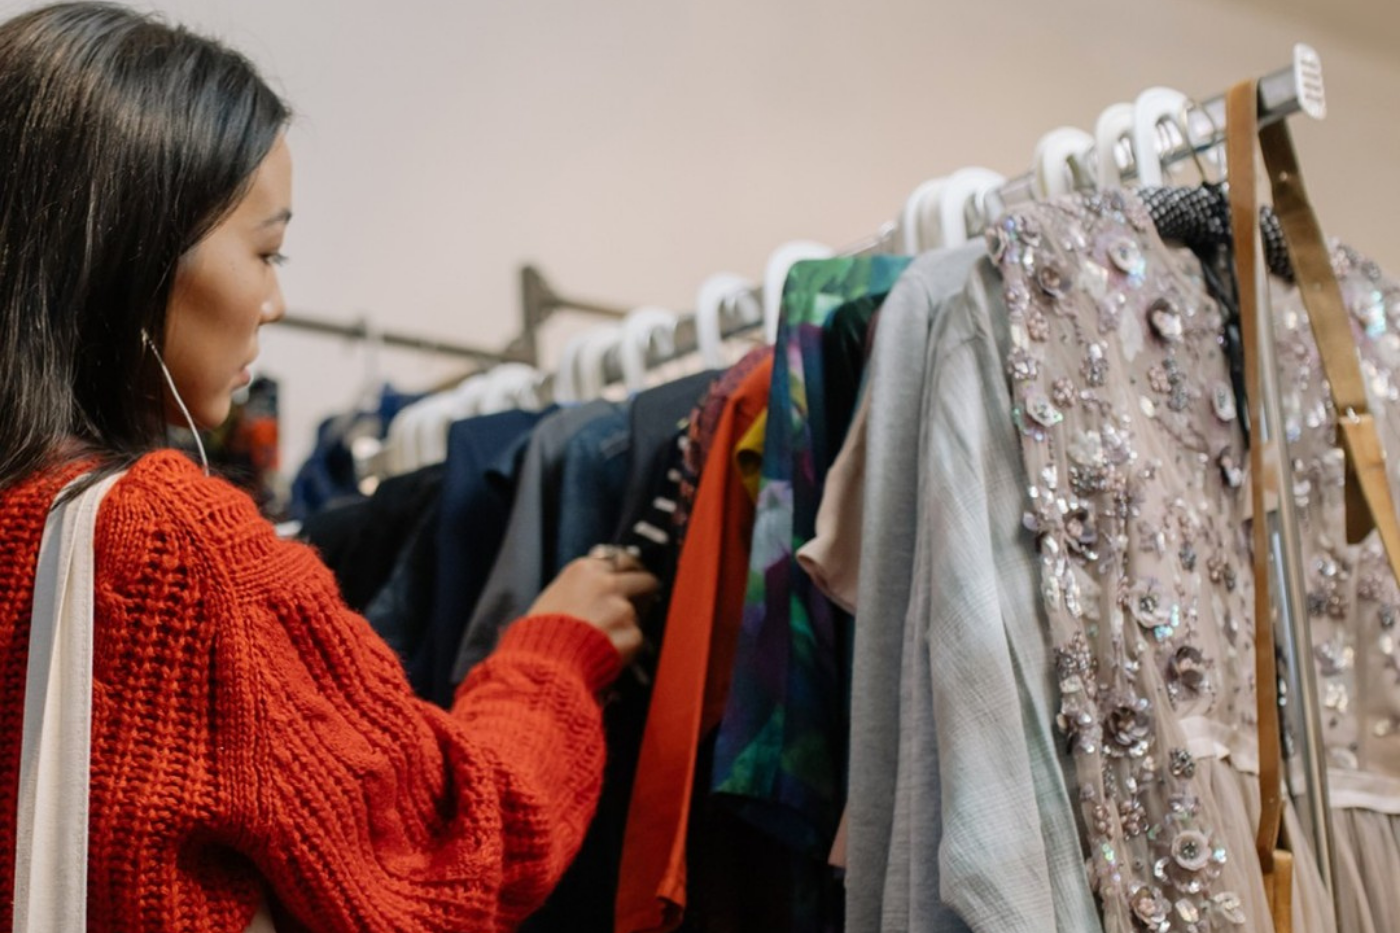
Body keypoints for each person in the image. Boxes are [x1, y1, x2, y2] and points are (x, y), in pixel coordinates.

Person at [0, 3, 657, 930]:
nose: (274, 300)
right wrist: (552, 657)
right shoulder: (170, 548)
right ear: (130, 252)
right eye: (266, 250)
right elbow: (454, 852)